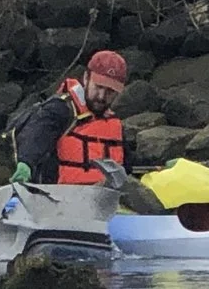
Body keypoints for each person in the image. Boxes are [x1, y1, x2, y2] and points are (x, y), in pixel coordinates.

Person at [11, 49, 129, 187]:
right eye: (98, 87)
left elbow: (128, 165)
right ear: (86, 78)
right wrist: (26, 163)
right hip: (59, 199)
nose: (101, 96)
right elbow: (37, 134)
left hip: (103, 202)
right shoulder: (60, 109)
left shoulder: (114, 124)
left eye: (110, 91)